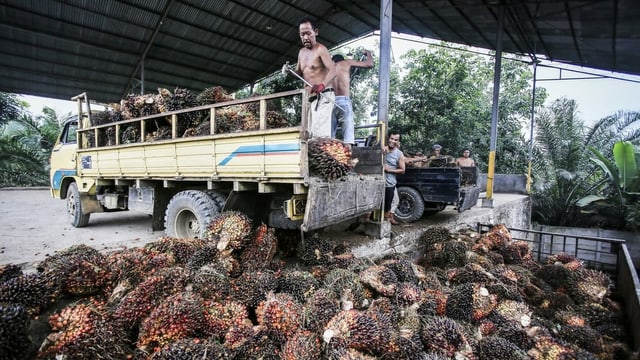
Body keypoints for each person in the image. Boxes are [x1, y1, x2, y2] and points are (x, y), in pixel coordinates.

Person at [294, 18, 336, 139]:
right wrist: (288, 72)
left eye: (308, 33)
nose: (306, 37)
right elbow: (298, 73)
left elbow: (333, 70)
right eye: (302, 34)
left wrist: (322, 85)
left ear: (315, 32)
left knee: (320, 135)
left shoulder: (320, 49)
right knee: (307, 134)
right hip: (309, 98)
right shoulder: (301, 52)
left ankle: (324, 157)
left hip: (323, 96)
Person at [331, 50, 374, 145]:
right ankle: (348, 156)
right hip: (344, 100)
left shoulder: (329, 68)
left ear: (333, 61)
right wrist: (368, 54)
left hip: (331, 102)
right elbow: (370, 64)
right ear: (342, 59)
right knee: (348, 137)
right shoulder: (346, 63)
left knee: (330, 137)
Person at [384, 131, 405, 225]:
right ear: (388, 138)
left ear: (398, 142)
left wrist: (389, 170)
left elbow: (402, 170)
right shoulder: (383, 149)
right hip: (379, 181)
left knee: (388, 206)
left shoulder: (399, 154)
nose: (393, 141)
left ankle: (386, 223)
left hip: (390, 183)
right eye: (391, 138)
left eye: (395, 140)